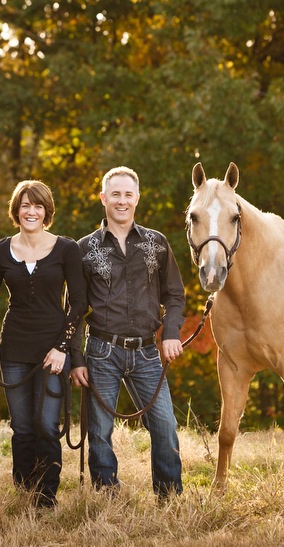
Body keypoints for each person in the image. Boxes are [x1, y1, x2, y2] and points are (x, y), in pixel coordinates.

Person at [70, 166, 186, 499]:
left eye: (128, 194)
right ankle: (108, 496)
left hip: (148, 351)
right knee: (100, 431)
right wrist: (76, 358)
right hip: (101, 351)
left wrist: (171, 332)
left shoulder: (157, 243)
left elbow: (175, 295)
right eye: (115, 194)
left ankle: (170, 497)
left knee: (165, 425)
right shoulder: (84, 248)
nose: (122, 201)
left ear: (137, 198)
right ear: (104, 198)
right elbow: (74, 309)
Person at [0, 180, 87, 508]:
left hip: (53, 350)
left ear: (46, 211)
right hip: (14, 350)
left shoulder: (67, 249)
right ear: (16, 210)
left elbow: (78, 304)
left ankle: (46, 498)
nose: (31, 211)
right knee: (22, 427)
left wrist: (62, 349)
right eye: (25, 205)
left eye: (37, 206)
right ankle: (24, 490)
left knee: (46, 426)